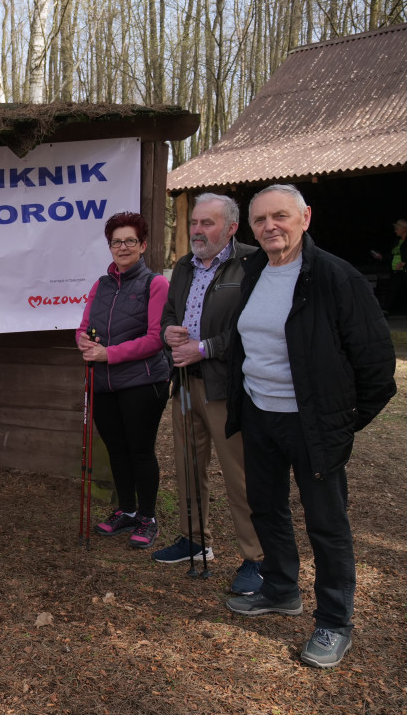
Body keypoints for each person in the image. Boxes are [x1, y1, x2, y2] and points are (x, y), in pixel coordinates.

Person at [224, 184, 396, 669]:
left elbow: (377, 367)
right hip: (260, 415)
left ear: (306, 218)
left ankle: (335, 622)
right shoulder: (254, 271)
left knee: (327, 523)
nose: (269, 227)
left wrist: (339, 423)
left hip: (311, 423)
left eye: (280, 216)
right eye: (260, 220)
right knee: (267, 508)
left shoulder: (335, 277)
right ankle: (280, 589)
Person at [152, 194, 264, 596]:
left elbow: (251, 327)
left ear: (232, 228)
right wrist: (169, 333)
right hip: (184, 381)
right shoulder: (183, 264)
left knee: (240, 474)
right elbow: (169, 313)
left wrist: (204, 347)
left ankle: (257, 558)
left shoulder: (252, 262)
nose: (197, 230)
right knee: (187, 464)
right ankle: (193, 539)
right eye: (195, 222)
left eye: (208, 223)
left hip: (225, 385)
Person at [76, 212, 171, 550]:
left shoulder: (155, 284)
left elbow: (156, 338)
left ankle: (147, 517)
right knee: (116, 449)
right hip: (104, 383)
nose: (123, 247)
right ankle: (126, 510)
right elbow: (84, 325)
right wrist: (84, 343)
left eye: (130, 240)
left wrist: (108, 354)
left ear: (143, 245)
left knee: (140, 450)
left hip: (143, 382)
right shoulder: (100, 285)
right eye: (117, 241)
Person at [370, 218, 407, 315]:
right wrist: (381, 257)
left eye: (397, 229)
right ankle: (385, 312)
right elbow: (392, 255)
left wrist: (404, 263)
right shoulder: (397, 242)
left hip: (405, 270)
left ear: (403, 229)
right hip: (396, 271)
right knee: (391, 291)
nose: (395, 231)